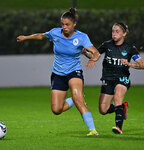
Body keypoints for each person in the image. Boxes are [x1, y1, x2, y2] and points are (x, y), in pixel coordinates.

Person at [17, 8, 100, 136]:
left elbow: (95, 53)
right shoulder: (55, 33)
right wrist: (25, 37)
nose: (64, 27)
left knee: (79, 101)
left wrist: (92, 59)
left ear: (74, 24)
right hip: (58, 74)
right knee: (56, 110)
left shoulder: (82, 37)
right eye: (62, 24)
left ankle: (92, 129)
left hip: (74, 72)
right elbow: (41, 36)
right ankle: (74, 98)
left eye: (67, 24)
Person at [83, 22, 144, 134]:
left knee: (117, 98)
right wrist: (85, 53)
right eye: (113, 31)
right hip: (108, 79)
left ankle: (118, 127)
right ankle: (123, 107)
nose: (114, 33)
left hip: (122, 78)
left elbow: (142, 65)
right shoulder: (107, 45)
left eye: (117, 31)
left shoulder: (130, 48)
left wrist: (129, 64)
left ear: (124, 34)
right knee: (103, 110)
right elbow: (95, 56)